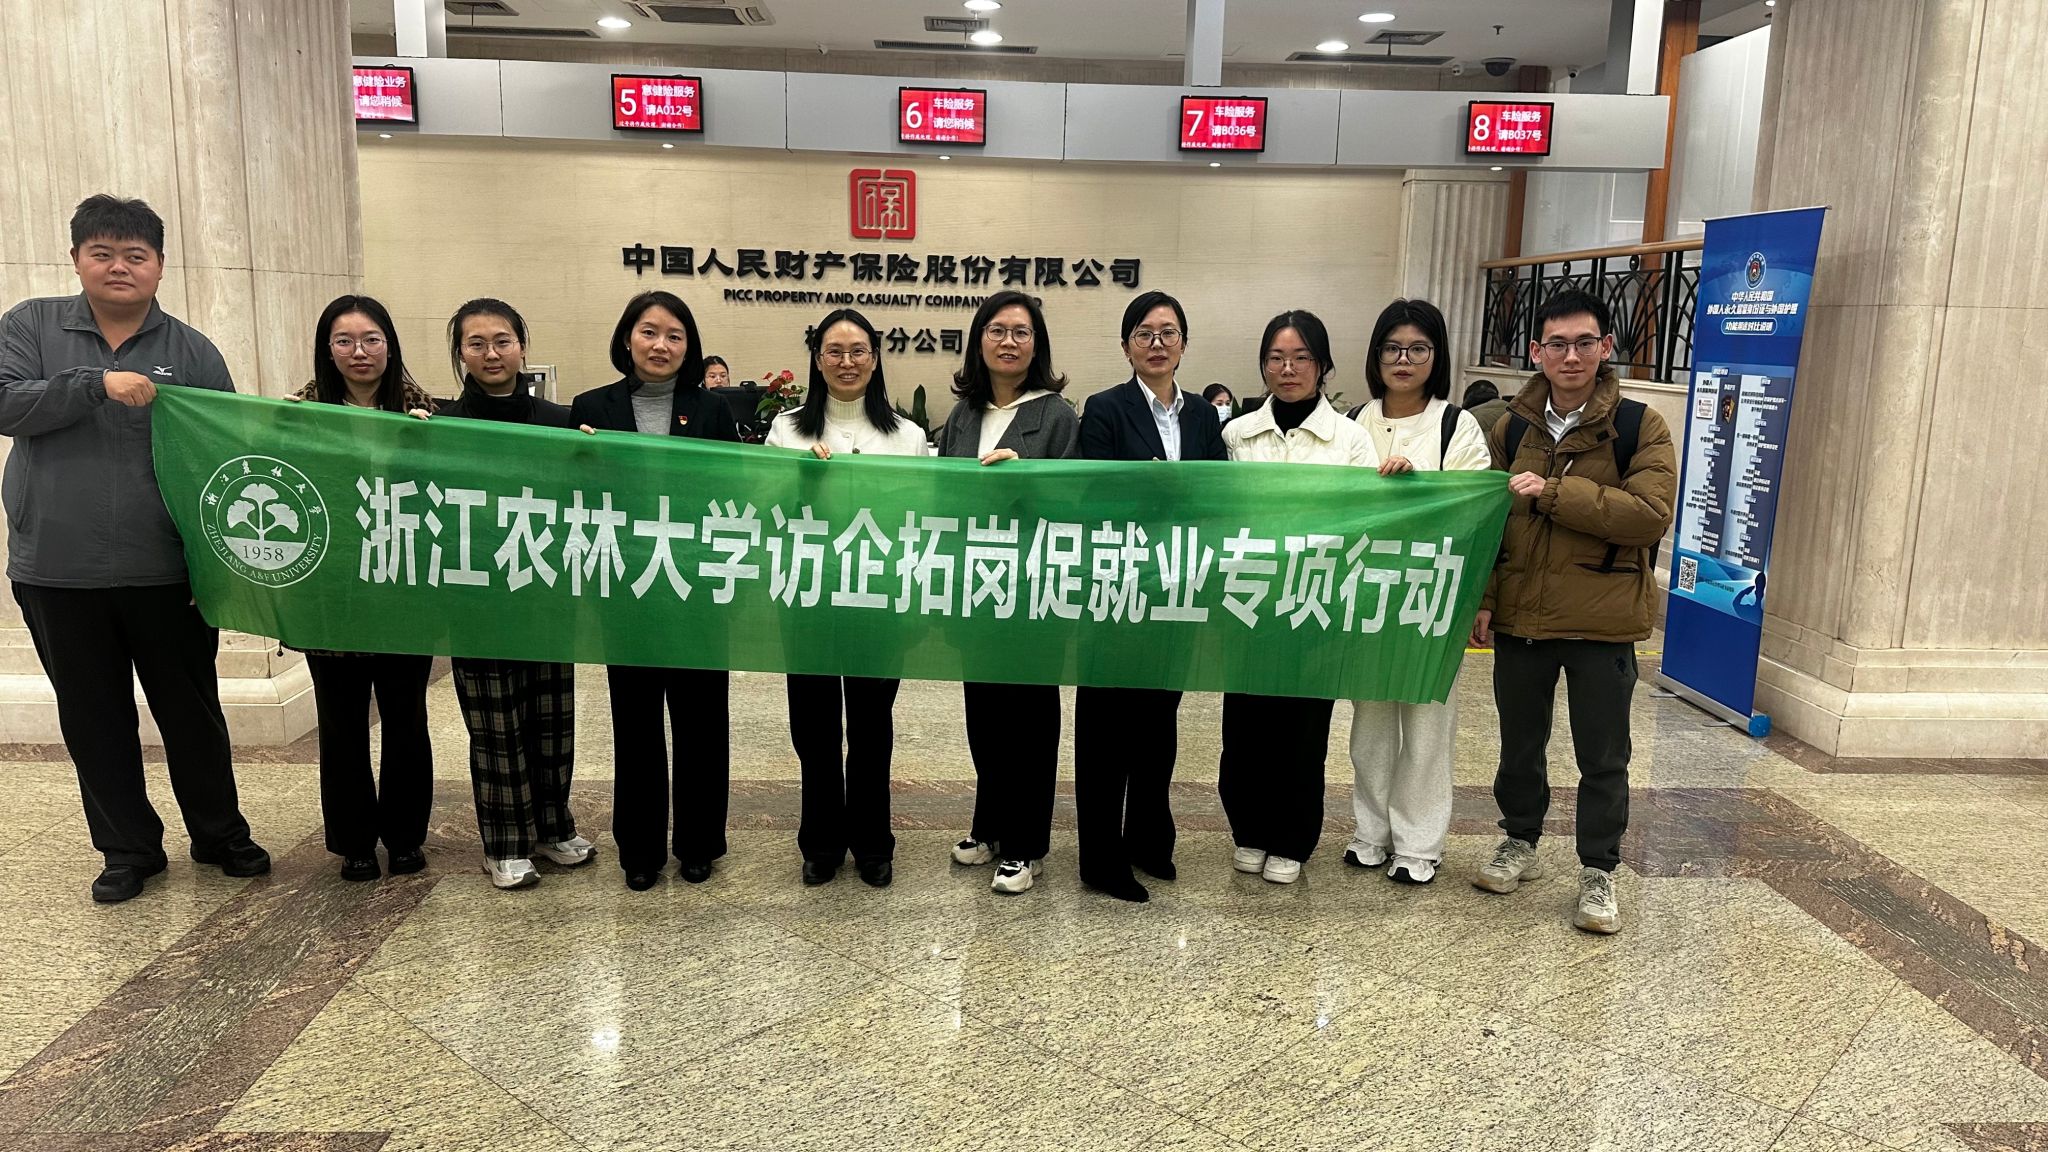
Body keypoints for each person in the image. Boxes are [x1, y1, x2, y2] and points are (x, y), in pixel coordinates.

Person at [0, 194, 269, 904]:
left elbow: (224, 458)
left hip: (167, 573)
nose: (119, 267)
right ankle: (127, 850)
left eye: (135, 255)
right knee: (94, 718)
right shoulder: (30, 326)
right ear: (77, 259)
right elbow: (5, 403)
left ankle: (219, 834)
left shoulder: (192, 351)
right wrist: (93, 386)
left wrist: (216, 564)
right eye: (103, 253)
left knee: (192, 713)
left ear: (159, 265)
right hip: (58, 570)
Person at [1469, 288, 1676, 934]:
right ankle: (1519, 839)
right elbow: (1489, 521)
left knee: (1603, 754)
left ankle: (1599, 869)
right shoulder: (1512, 427)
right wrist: (1485, 599)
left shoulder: (1640, 426)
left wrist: (1556, 493)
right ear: (1536, 351)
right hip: (1523, 618)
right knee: (1519, 744)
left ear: (1606, 347)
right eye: (1557, 344)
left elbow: (1649, 516)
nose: (1571, 356)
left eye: (1585, 342)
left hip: (1602, 621)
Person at [571, 291, 740, 890]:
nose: (660, 345)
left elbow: (731, 494)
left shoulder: (713, 410)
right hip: (627, 587)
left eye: (674, 335)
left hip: (695, 586)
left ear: (688, 347)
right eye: (649, 332)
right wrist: (581, 458)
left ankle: (699, 842)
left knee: (701, 721)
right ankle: (639, 849)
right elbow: (571, 494)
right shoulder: (591, 407)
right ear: (627, 338)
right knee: (636, 722)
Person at [1072, 291, 1226, 903]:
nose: (1157, 343)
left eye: (1168, 332)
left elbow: (1215, 495)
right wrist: (1164, 491)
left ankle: (1148, 839)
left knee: (1159, 724)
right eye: (1144, 333)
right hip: (1117, 587)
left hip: (1176, 588)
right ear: (1126, 346)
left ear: (1184, 344)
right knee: (1106, 729)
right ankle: (1100, 858)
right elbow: (1098, 493)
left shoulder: (1204, 417)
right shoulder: (1104, 408)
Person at [439, 298, 596, 890]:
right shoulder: (442, 425)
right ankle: (503, 843)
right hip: (476, 597)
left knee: (551, 721)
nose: (491, 353)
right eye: (476, 343)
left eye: (502, 341)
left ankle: (553, 827)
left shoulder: (561, 421)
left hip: (546, 591)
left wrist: (593, 452)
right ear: (461, 354)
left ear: (522, 347)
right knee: (495, 725)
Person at [766, 309, 924, 889]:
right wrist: (797, 481)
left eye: (859, 351)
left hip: (879, 600)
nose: (847, 361)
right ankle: (821, 842)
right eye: (834, 351)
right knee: (813, 727)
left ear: (875, 359)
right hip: (807, 596)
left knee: (872, 725)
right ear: (817, 359)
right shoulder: (787, 429)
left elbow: (923, 516)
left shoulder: (907, 436)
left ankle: (874, 843)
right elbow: (763, 507)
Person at [1218, 310, 1373, 885]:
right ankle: (1249, 829)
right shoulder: (1237, 434)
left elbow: (1365, 518)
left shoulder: (1351, 440)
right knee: (1246, 726)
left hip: (1314, 599)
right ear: (1263, 366)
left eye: (1302, 358)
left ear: (1323, 365)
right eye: (1277, 358)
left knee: (1302, 729)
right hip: (1250, 599)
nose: (1288, 369)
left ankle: (1292, 837)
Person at [934, 289, 1078, 895]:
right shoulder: (963, 415)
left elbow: (1073, 504)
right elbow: (942, 497)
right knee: (985, 714)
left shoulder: (1057, 415)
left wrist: (1028, 481)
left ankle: (1026, 843)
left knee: (1030, 719)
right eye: (997, 330)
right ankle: (989, 825)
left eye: (1021, 332)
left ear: (1037, 345)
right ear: (979, 341)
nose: (1009, 341)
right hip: (976, 584)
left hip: (1032, 590)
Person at [289, 295, 438, 882]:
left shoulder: (424, 411)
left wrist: (429, 446)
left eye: (372, 339)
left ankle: (404, 837)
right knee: (342, 722)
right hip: (332, 592)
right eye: (345, 340)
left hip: (404, 588)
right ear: (327, 349)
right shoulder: (300, 412)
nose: (360, 351)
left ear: (390, 346)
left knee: (406, 719)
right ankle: (354, 841)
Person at [1344, 299, 1490, 886]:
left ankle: (1420, 844)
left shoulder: (1457, 425)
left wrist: (1416, 489)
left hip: (1433, 594)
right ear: (1376, 355)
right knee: (1370, 723)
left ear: (1437, 356)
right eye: (1392, 348)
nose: (1403, 360)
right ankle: (1370, 831)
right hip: (1364, 593)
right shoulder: (1352, 422)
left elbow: (1473, 512)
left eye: (1418, 349)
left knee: (1428, 725)